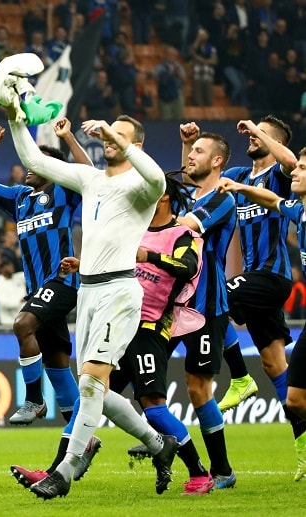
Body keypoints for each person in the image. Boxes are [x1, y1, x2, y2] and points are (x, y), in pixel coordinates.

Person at [3, 89, 174, 498]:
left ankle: (65, 471)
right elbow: (34, 161)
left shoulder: (141, 186)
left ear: (135, 144)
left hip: (119, 291)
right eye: (108, 132)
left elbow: (158, 178)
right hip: (89, 294)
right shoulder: (91, 179)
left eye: (120, 134)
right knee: (93, 388)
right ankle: (159, 444)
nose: (108, 137)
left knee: (94, 381)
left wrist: (118, 140)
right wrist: (14, 116)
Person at [14, 173, 214, 494]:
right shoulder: (133, 231)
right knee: (91, 396)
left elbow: (188, 267)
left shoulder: (183, 234)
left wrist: (149, 256)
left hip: (150, 328)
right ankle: (55, 470)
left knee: (153, 406)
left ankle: (199, 472)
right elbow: (118, 267)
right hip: (119, 320)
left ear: (160, 196)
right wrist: (83, 264)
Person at [0, 120, 90, 428]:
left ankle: (34, 399)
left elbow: (90, 174)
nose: (27, 166)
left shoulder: (64, 191)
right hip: (39, 290)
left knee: (23, 324)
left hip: (64, 282)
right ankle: (83, 436)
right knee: (58, 366)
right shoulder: (20, 198)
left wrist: (68, 137)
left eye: (35, 162)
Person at [213, 116, 306, 479]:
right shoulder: (240, 174)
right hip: (254, 281)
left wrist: (256, 127)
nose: (253, 139)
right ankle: (302, 443)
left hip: (273, 276)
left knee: (213, 299)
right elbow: (201, 180)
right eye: (253, 135)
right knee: (274, 366)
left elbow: (286, 162)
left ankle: (239, 377)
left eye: (262, 137)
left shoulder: (283, 175)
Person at [164, 125, 237, 489]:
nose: (191, 156)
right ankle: (160, 435)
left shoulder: (223, 198)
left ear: (218, 160)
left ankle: (222, 470)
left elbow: (182, 227)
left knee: (197, 387)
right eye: (190, 151)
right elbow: (189, 198)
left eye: (199, 151)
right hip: (173, 305)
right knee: (135, 376)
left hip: (208, 307)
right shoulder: (197, 197)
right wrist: (184, 145)